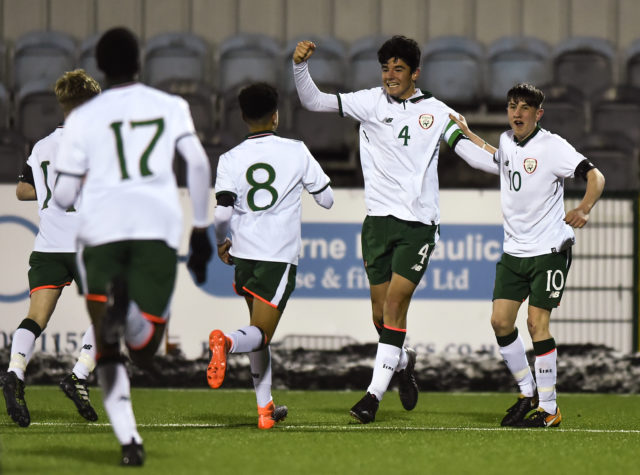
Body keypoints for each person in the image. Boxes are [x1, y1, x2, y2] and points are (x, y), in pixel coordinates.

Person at [293, 36, 497, 423]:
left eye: (398, 69)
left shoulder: (437, 112)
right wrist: (299, 67)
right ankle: (403, 361)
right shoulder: (369, 102)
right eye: (385, 68)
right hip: (377, 224)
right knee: (380, 316)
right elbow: (313, 101)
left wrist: (511, 160)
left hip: (418, 225)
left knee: (394, 306)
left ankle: (372, 396)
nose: (390, 75)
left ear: (415, 73)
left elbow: (472, 155)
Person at [52, 27, 212, 465]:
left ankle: (129, 442)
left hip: (101, 231)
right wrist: (200, 230)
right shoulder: (171, 106)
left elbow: (63, 197)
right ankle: (135, 320)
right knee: (144, 347)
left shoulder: (82, 119)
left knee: (105, 350)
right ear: (140, 62)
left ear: (100, 67)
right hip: (155, 227)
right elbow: (197, 162)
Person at [449, 83, 605, 427]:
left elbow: (596, 176)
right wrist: (468, 135)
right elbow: (497, 157)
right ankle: (527, 392)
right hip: (514, 251)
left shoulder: (553, 147)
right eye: (512, 106)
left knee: (537, 324)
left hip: (549, 250)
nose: (517, 113)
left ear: (538, 114)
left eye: (524, 108)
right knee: (500, 322)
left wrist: (584, 207)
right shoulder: (507, 141)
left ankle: (550, 409)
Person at [206, 82, 333, 429]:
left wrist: (221, 242)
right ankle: (226, 341)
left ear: (244, 117)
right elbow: (327, 198)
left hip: (244, 255)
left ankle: (266, 410)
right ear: (276, 115)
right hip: (277, 255)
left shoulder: (230, 158)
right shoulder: (296, 151)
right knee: (259, 334)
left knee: (259, 333)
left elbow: (221, 214)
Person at [1, 69, 102, 428]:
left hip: (48, 247)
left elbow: (22, 191)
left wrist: (49, 192)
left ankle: (14, 371)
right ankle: (79, 375)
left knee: (36, 318)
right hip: (86, 245)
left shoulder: (41, 146)